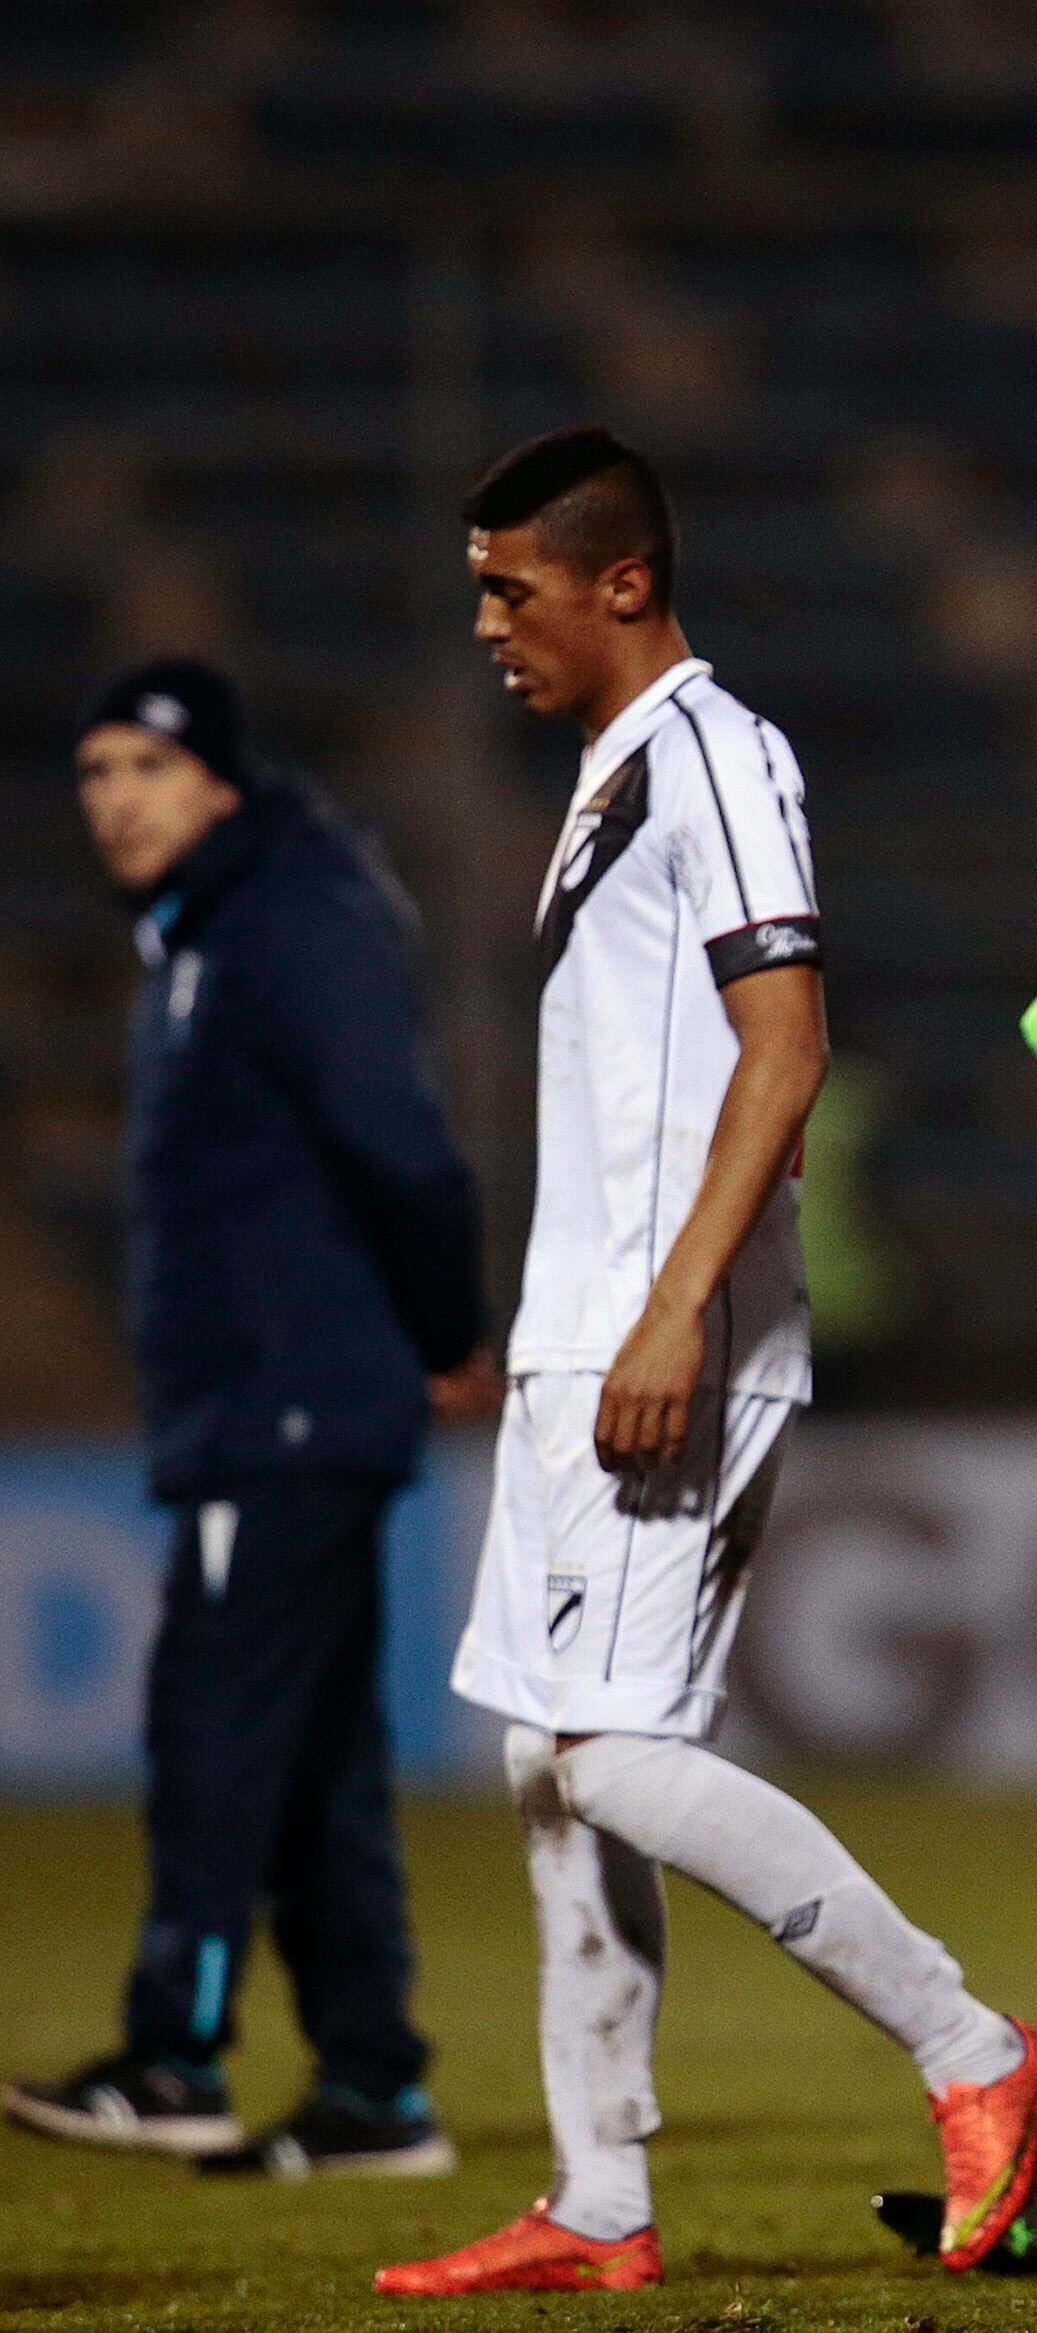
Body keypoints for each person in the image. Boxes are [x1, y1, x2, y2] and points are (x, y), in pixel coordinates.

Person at [382, 427, 1037, 2298]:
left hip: (663, 1334)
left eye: (511, 588)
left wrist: (675, 1303)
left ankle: (971, 2045)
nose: (488, 625)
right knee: (552, 1754)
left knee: (610, 1752)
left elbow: (787, 1040)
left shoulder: (716, 749)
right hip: (584, 1328)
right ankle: (601, 2199)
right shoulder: (615, 768)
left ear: (621, 581)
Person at [4, 661, 488, 2181]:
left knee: (215, 1725)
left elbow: (398, 1138)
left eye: (141, 768)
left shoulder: (290, 916)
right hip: (265, 1402)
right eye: (91, 776)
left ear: (216, 777)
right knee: (311, 1753)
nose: (114, 801)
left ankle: (175, 2053)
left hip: (286, 1403)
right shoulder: (217, 925)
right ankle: (373, 2088)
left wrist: (444, 1322)